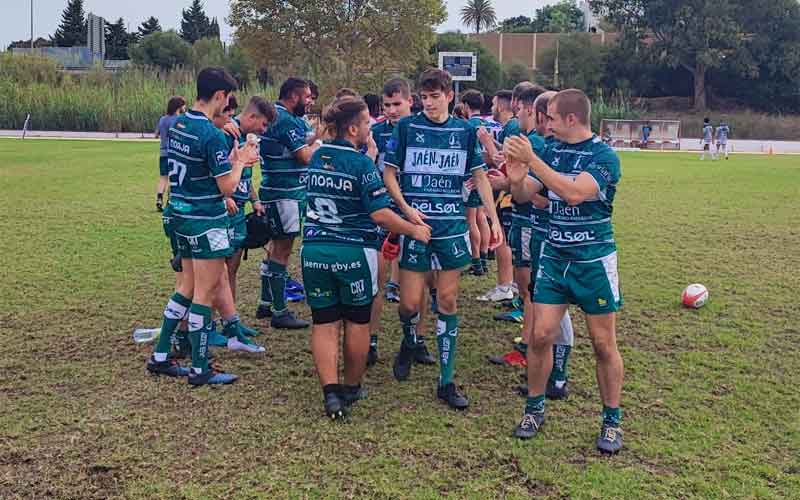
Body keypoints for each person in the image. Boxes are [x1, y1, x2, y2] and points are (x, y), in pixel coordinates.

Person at [505, 89, 624, 454]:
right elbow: (526, 195)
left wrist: (534, 161)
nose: (547, 124)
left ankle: (611, 421)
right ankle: (534, 409)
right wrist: (515, 176)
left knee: (603, 344)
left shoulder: (604, 156)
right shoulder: (549, 148)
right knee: (540, 336)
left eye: (552, 118)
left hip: (592, 260)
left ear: (571, 119)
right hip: (555, 256)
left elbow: (574, 193)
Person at [303, 96, 432, 418]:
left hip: (314, 251)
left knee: (324, 322)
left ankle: (330, 392)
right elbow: (380, 215)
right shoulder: (360, 165)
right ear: (352, 128)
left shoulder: (317, 156)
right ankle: (352, 386)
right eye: (366, 123)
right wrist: (413, 230)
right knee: (358, 322)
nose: (371, 127)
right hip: (353, 252)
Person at [383, 68, 503, 410]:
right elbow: (390, 173)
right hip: (416, 227)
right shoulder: (407, 127)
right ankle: (410, 340)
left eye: (436, 96)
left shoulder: (464, 132)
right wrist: (406, 209)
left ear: (450, 96)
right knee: (408, 304)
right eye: (425, 96)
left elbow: (480, 177)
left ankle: (446, 381)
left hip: (452, 228)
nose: (430, 102)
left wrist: (493, 220)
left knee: (447, 302)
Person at [146, 67, 260, 385]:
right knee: (204, 293)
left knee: (185, 287)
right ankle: (200, 368)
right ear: (220, 96)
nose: (228, 107)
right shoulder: (210, 134)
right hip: (204, 221)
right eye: (227, 100)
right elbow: (227, 187)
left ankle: (160, 356)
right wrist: (242, 160)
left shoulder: (179, 123)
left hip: (179, 215)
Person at [367, 77, 437, 368]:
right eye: (387, 105)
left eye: (397, 104)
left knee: (418, 282)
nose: (392, 110)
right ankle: (370, 340)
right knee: (377, 281)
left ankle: (416, 339)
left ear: (411, 102)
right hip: (384, 213)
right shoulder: (374, 132)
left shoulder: (425, 129)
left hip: (417, 214)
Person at [256, 78, 320, 329]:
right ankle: (280, 311)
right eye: (306, 96)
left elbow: (299, 142)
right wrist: (319, 143)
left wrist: (316, 136)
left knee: (274, 247)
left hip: (274, 189)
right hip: (286, 192)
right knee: (282, 250)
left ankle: (265, 302)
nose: (309, 101)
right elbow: (304, 156)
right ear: (293, 96)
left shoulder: (276, 115)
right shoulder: (285, 119)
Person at [476, 90, 515, 303]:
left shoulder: (512, 127)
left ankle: (505, 286)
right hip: (507, 191)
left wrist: (488, 143)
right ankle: (508, 284)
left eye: (492, 103)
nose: (491, 108)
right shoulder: (508, 127)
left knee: (504, 238)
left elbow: (508, 164)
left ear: (500, 105)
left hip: (509, 192)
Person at [460, 89, 495, 277]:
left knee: (471, 219)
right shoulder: (486, 124)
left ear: (465, 106)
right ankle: (484, 256)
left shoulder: (469, 125)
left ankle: (476, 261)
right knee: (481, 217)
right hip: (484, 174)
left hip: (472, 176)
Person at [155, 96, 186, 212]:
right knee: (174, 178)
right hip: (174, 153)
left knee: (163, 177)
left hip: (163, 152)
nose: (185, 107)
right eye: (183, 105)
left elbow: (156, 134)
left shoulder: (162, 119)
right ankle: (170, 201)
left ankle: (159, 199)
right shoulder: (178, 120)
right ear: (179, 106)